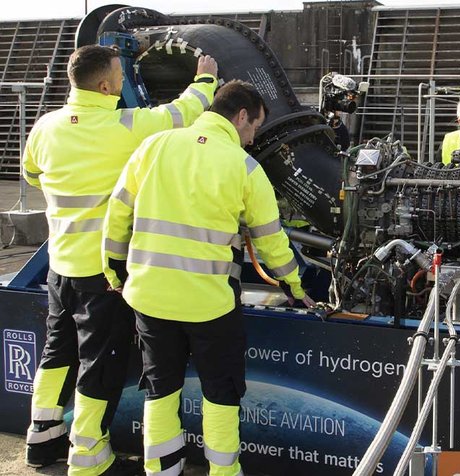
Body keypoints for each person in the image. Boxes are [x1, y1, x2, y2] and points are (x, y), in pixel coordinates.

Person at [102, 80, 316, 476]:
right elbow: (272, 243)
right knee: (220, 393)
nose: (252, 139)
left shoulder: (153, 146)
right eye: (253, 127)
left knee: (160, 389)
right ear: (239, 117)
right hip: (210, 306)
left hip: (149, 298)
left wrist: (113, 268)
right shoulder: (243, 166)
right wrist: (295, 288)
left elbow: (117, 215)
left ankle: (162, 470)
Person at [21, 44, 217, 474]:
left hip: (60, 265)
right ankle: (88, 456)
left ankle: (42, 438)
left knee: (58, 351)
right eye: (120, 76)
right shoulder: (127, 125)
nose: (124, 82)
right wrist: (205, 77)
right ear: (107, 85)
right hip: (103, 274)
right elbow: (183, 112)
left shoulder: (45, 126)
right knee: (100, 365)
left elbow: (32, 175)